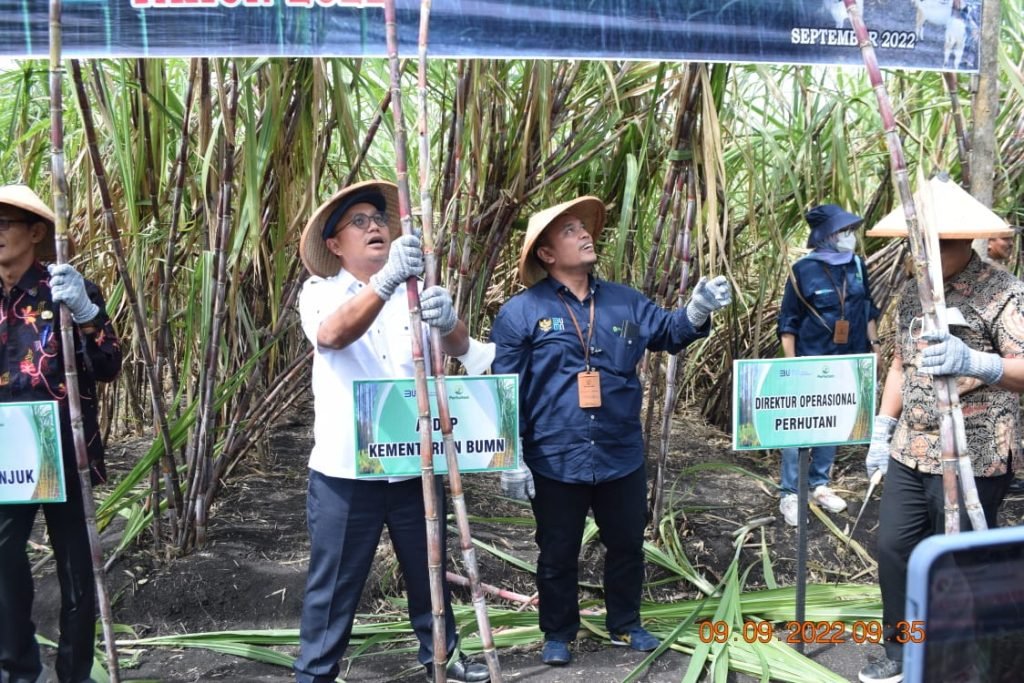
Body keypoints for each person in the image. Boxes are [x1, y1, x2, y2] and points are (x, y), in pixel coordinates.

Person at [489, 196, 731, 666]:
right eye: (569, 231)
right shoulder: (522, 312)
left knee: (626, 544)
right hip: (555, 454)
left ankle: (625, 623)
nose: (584, 234)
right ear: (546, 254)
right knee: (557, 550)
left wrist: (698, 308)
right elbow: (506, 388)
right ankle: (558, 632)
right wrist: (510, 456)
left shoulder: (624, 301)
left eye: (583, 228)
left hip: (620, 452)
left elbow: (669, 331)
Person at [293, 179, 489, 683]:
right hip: (345, 473)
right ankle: (315, 672)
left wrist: (448, 320)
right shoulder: (320, 293)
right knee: (335, 582)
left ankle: (442, 656)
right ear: (335, 244)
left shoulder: (412, 293)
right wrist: (384, 284)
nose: (374, 226)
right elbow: (332, 335)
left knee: (430, 570)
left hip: (413, 463)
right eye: (358, 222)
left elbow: (460, 347)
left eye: (378, 219)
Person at [858, 178, 1023, 683]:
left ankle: (960, 659)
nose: (923, 259)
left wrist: (977, 362)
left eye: (934, 248)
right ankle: (899, 651)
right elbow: (900, 365)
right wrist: (882, 430)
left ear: (960, 242)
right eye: (918, 248)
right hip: (911, 449)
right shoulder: (912, 293)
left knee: (960, 561)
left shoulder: (1002, 291)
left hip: (976, 454)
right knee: (894, 549)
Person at [0, 185, 122, 683]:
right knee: (3, 558)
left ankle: (75, 673)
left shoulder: (66, 290)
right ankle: (17, 668)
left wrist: (88, 316)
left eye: (4, 224)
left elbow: (109, 365)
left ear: (35, 233)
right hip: (7, 452)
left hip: (64, 448)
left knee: (76, 570)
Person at [776, 204, 881, 526]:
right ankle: (789, 492)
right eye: (843, 231)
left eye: (851, 231)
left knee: (833, 420)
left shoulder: (857, 266)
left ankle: (819, 485)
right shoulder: (802, 270)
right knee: (798, 427)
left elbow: (868, 309)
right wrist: (791, 366)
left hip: (848, 360)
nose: (850, 236)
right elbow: (788, 322)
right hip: (810, 360)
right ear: (827, 236)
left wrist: (875, 348)